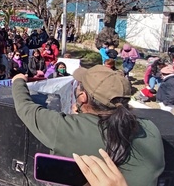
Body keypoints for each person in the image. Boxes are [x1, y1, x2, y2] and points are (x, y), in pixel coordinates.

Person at [12, 65, 165, 186]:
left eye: (79, 86)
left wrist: (18, 81)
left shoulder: (66, 129)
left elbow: (25, 108)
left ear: (83, 97)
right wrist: (82, 118)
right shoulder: (151, 129)